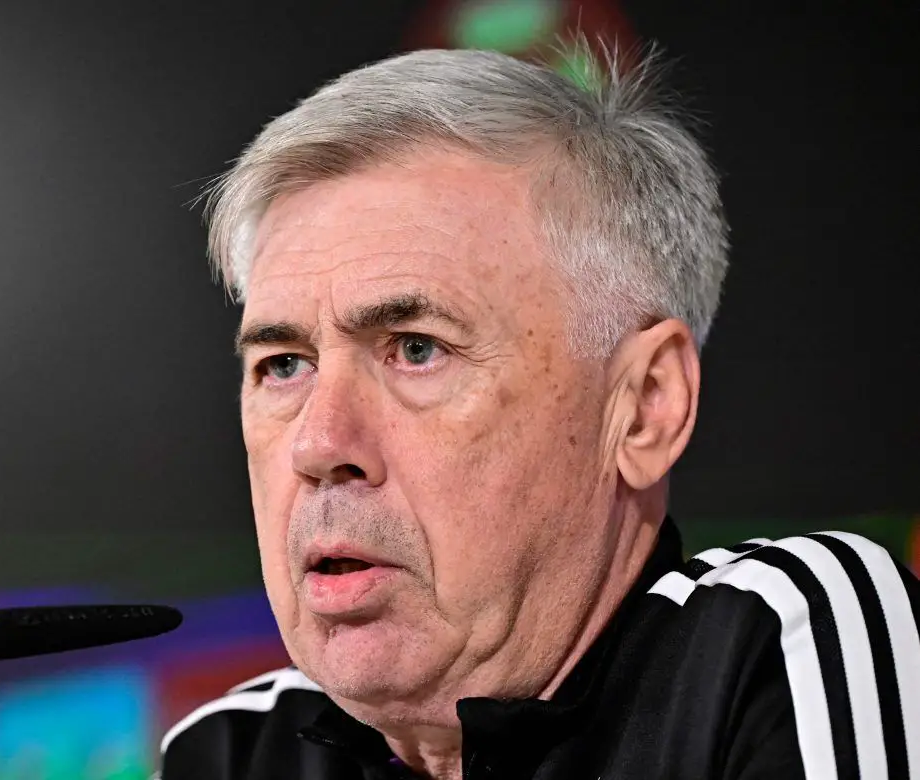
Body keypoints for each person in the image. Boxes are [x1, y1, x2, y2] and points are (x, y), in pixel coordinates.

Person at [157, 43, 920, 780]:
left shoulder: (778, 639)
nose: (320, 444)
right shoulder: (228, 751)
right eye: (284, 365)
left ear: (645, 406)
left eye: (417, 349)